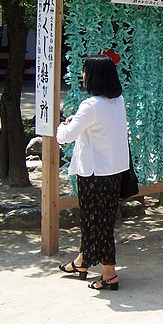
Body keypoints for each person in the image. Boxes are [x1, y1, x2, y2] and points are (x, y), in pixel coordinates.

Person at [56, 54, 129, 291]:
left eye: (85, 71)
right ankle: (82, 261)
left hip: (94, 173)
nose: (83, 75)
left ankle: (109, 274)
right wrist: (75, 122)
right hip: (114, 170)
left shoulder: (91, 105)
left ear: (94, 76)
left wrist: (62, 126)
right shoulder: (117, 102)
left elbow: (65, 137)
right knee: (99, 220)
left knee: (95, 223)